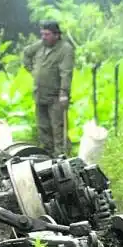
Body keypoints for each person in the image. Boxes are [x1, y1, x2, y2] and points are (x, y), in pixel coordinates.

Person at [22, 20, 75, 156]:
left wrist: (64, 93)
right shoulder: (40, 45)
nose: (44, 37)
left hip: (55, 96)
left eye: (47, 34)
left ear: (56, 35)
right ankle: (48, 155)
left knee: (58, 128)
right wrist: (32, 70)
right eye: (42, 34)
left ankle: (62, 156)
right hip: (40, 94)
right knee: (43, 127)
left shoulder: (65, 49)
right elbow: (26, 53)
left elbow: (66, 73)